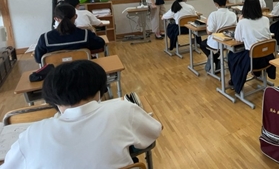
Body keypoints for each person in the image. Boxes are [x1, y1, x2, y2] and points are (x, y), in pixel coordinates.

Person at [2, 61, 162, 168]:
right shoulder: (123, 110)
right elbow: (154, 131)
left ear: (52, 99)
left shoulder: (33, 134)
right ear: (100, 91)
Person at [228, 0, 275, 94]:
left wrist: (240, 21)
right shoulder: (265, 19)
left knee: (231, 56)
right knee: (255, 49)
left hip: (252, 60)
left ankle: (234, 82)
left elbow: (238, 39)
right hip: (267, 58)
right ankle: (257, 73)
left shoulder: (243, 22)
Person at [34, 3, 105, 64]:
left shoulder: (45, 38)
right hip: (83, 72)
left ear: (56, 19)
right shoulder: (85, 34)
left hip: (57, 75)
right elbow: (100, 43)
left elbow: (38, 59)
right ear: (75, 16)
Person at [199, 0, 237, 69]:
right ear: (226, 1)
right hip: (229, 42)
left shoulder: (213, 15)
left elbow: (209, 32)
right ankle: (215, 58)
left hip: (217, 43)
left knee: (202, 44)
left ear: (215, 3)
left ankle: (215, 59)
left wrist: (207, 23)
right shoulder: (232, 14)